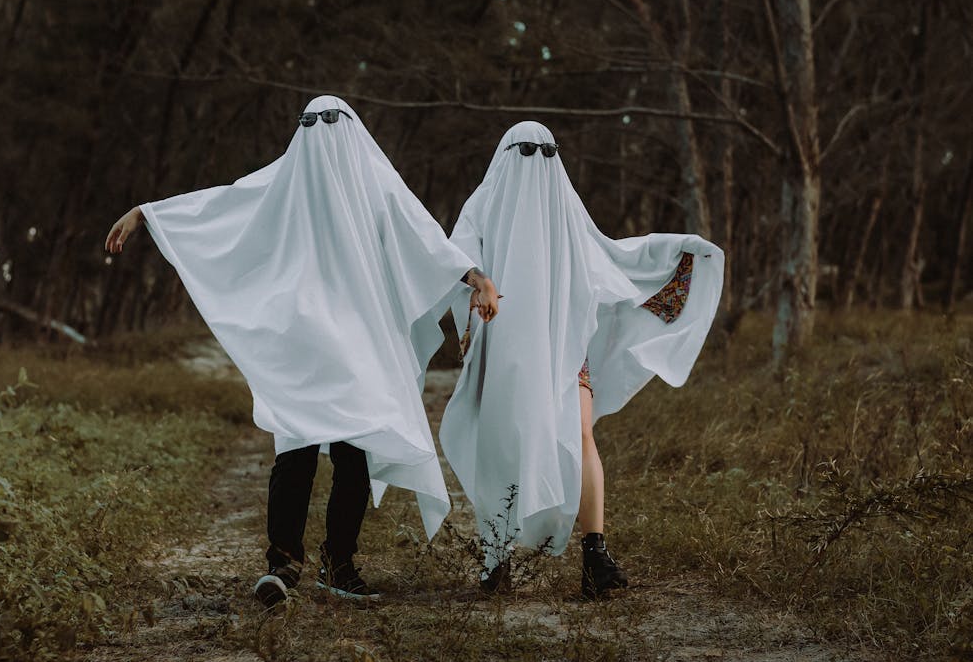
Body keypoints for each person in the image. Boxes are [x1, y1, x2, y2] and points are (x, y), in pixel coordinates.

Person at [105, 96, 499, 606]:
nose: (321, 134)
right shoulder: (286, 178)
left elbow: (424, 238)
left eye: (330, 123)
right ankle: (282, 566)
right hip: (300, 342)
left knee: (354, 453)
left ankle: (339, 565)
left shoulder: (375, 184)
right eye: (309, 124)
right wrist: (148, 213)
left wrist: (476, 277)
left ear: (351, 132)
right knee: (295, 454)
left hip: (356, 341)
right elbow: (222, 205)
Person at [438, 121, 723, 599]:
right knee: (535, 440)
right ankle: (517, 557)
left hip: (554, 352)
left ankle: (578, 557)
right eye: (530, 152)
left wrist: (677, 252)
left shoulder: (529, 204)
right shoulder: (509, 204)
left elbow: (607, 258)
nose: (536, 162)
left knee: (558, 435)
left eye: (543, 152)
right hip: (523, 354)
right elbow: (459, 261)